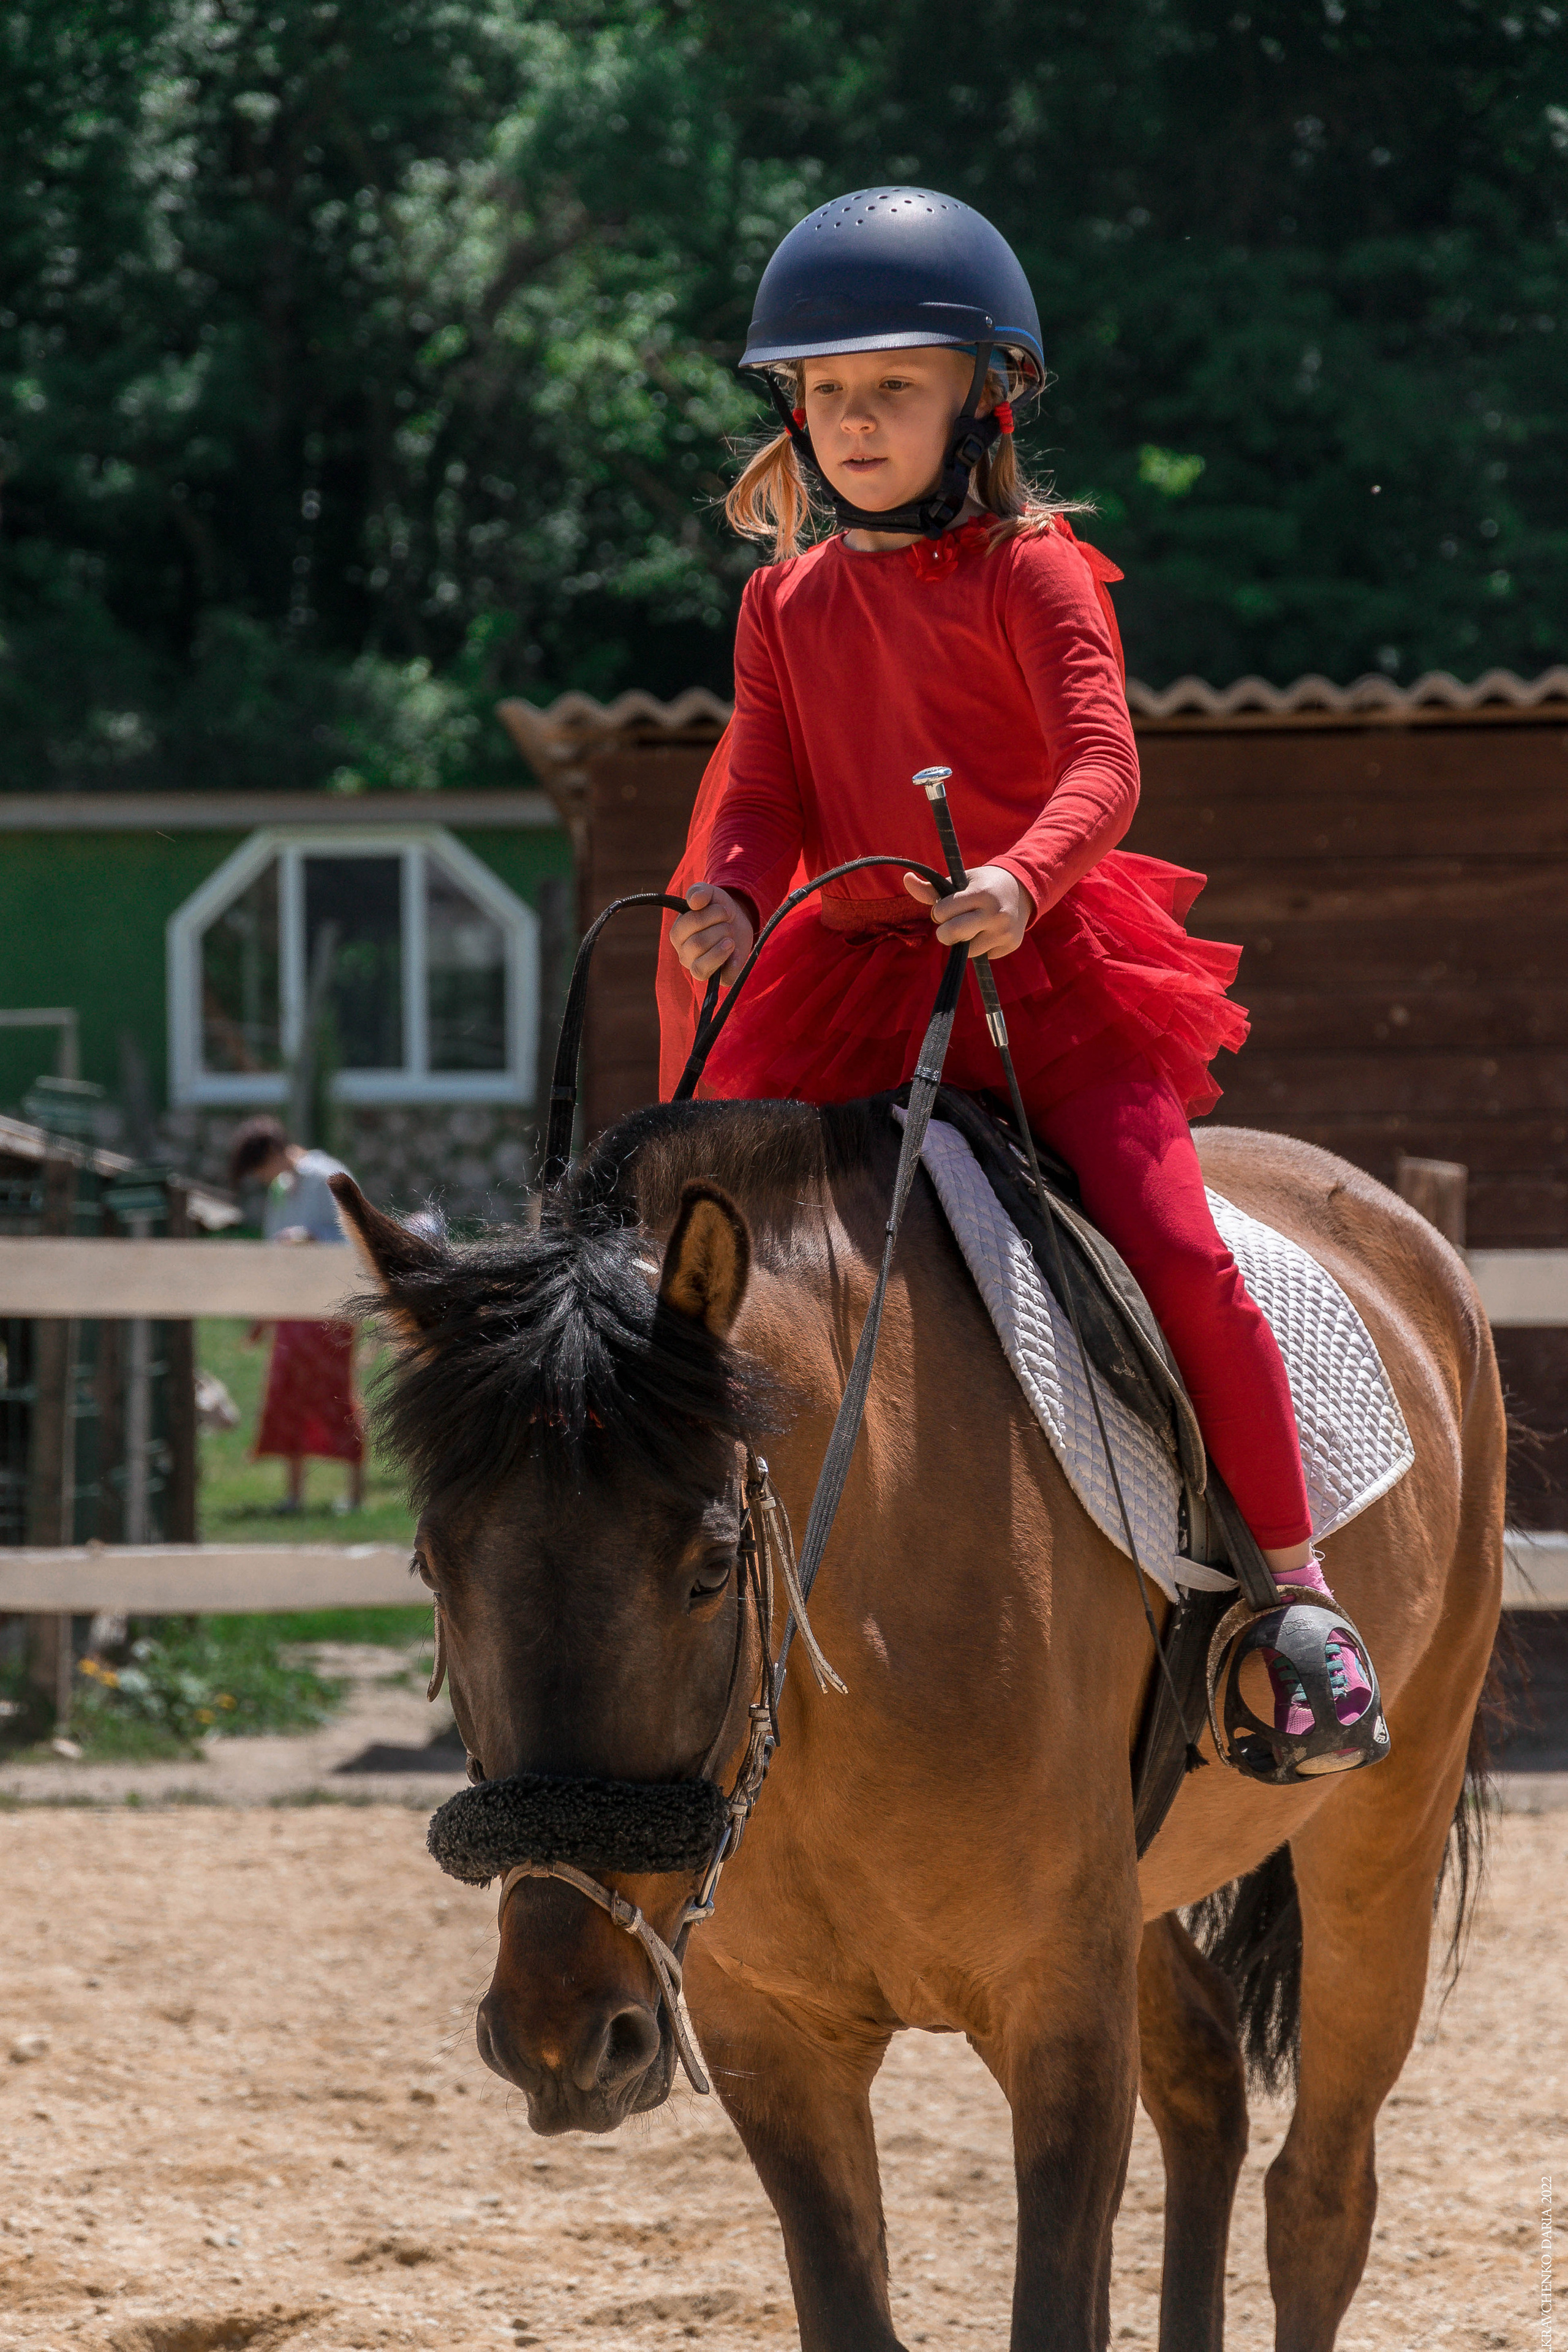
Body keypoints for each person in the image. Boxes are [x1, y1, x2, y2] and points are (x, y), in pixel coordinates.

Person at [658, 187, 1375, 1763]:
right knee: (682, 1239)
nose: (850, 420)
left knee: (1178, 1246)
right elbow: (768, 792)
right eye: (825, 393)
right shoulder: (779, 600)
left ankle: (1294, 1595)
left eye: (889, 389)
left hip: (1036, 968)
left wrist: (1015, 877)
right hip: (846, 976)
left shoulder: (1034, 570)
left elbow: (1102, 761)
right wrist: (723, 893)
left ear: (979, 397)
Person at [227, 1116, 365, 1516]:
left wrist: (310, 1239)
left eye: (259, 1167)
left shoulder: (328, 1177)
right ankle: (294, 1496)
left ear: (272, 1154)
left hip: (332, 1306)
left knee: (335, 1394)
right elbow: (277, 1255)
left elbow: (358, 1236)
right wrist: (264, 1316)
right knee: (289, 1396)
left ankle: (354, 1496)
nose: (260, 1177)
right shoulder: (281, 1190)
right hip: (293, 1308)